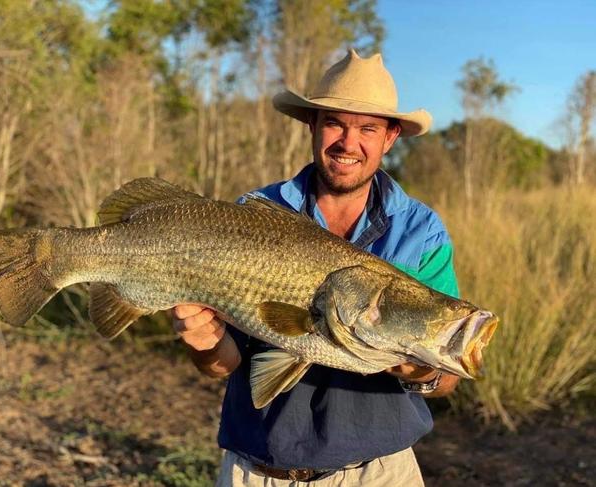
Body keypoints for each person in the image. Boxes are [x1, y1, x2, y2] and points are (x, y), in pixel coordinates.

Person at [173, 49, 461, 486]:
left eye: (368, 128)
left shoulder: (422, 230)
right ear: (312, 125)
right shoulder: (253, 213)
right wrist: (204, 342)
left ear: (390, 138)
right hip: (257, 471)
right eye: (335, 123)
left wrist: (423, 372)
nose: (349, 143)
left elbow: (445, 379)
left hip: (381, 473)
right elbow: (222, 364)